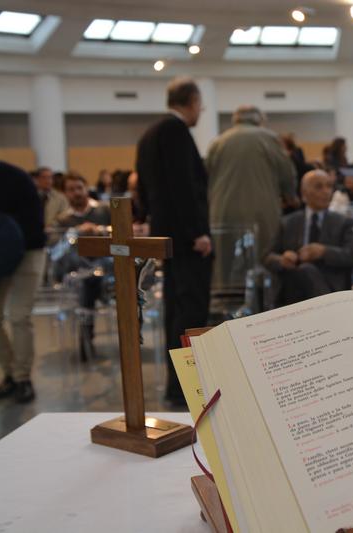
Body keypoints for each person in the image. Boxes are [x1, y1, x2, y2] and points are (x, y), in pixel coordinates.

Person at [136, 77, 212, 406]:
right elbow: (184, 187)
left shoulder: (150, 133)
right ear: (192, 101)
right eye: (200, 104)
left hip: (167, 235)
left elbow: (142, 187)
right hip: (186, 238)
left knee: (175, 308)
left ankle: (176, 385)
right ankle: (187, 385)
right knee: (191, 308)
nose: (200, 111)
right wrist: (198, 233)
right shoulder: (175, 131)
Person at [206, 105, 297, 262]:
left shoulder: (218, 142)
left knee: (229, 261)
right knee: (260, 258)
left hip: (223, 212)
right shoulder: (269, 138)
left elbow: (206, 175)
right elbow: (287, 173)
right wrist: (291, 196)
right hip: (260, 211)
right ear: (259, 120)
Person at [265, 170, 353, 305]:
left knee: (306, 270)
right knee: (301, 272)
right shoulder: (288, 222)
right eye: (319, 187)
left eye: (329, 186)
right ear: (304, 194)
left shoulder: (343, 223)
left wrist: (324, 252)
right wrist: (282, 260)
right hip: (291, 289)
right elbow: (267, 257)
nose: (326, 191)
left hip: (329, 287)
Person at [0, 162, 46, 403]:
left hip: (28, 251)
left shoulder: (16, 178)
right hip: (2, 254)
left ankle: (22, 377)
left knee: (19, 315)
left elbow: (34, 223)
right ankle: (9, 373)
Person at [55, 173, 112, 361]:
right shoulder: (63, 220)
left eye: (79, 188)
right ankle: (86, 340)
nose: (76, 193)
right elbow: (56, 251)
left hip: (107, 267)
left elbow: (122, 235)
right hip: (79, 271)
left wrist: (100, 230)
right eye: (71, 190)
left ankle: (86, 341)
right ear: (65, 193)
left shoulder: (104, 211)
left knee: (93, 275)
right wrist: (75, 232)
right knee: (85, 276)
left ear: (86, 188)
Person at [31, 166, 69, 231]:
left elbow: (64, 215)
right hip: (34, 230)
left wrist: (52, 225)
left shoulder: (60, 198)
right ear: (37, 179)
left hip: (53, 231)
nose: (47, 180)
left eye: (50, 177)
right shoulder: (31, 196)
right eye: (44, 177)